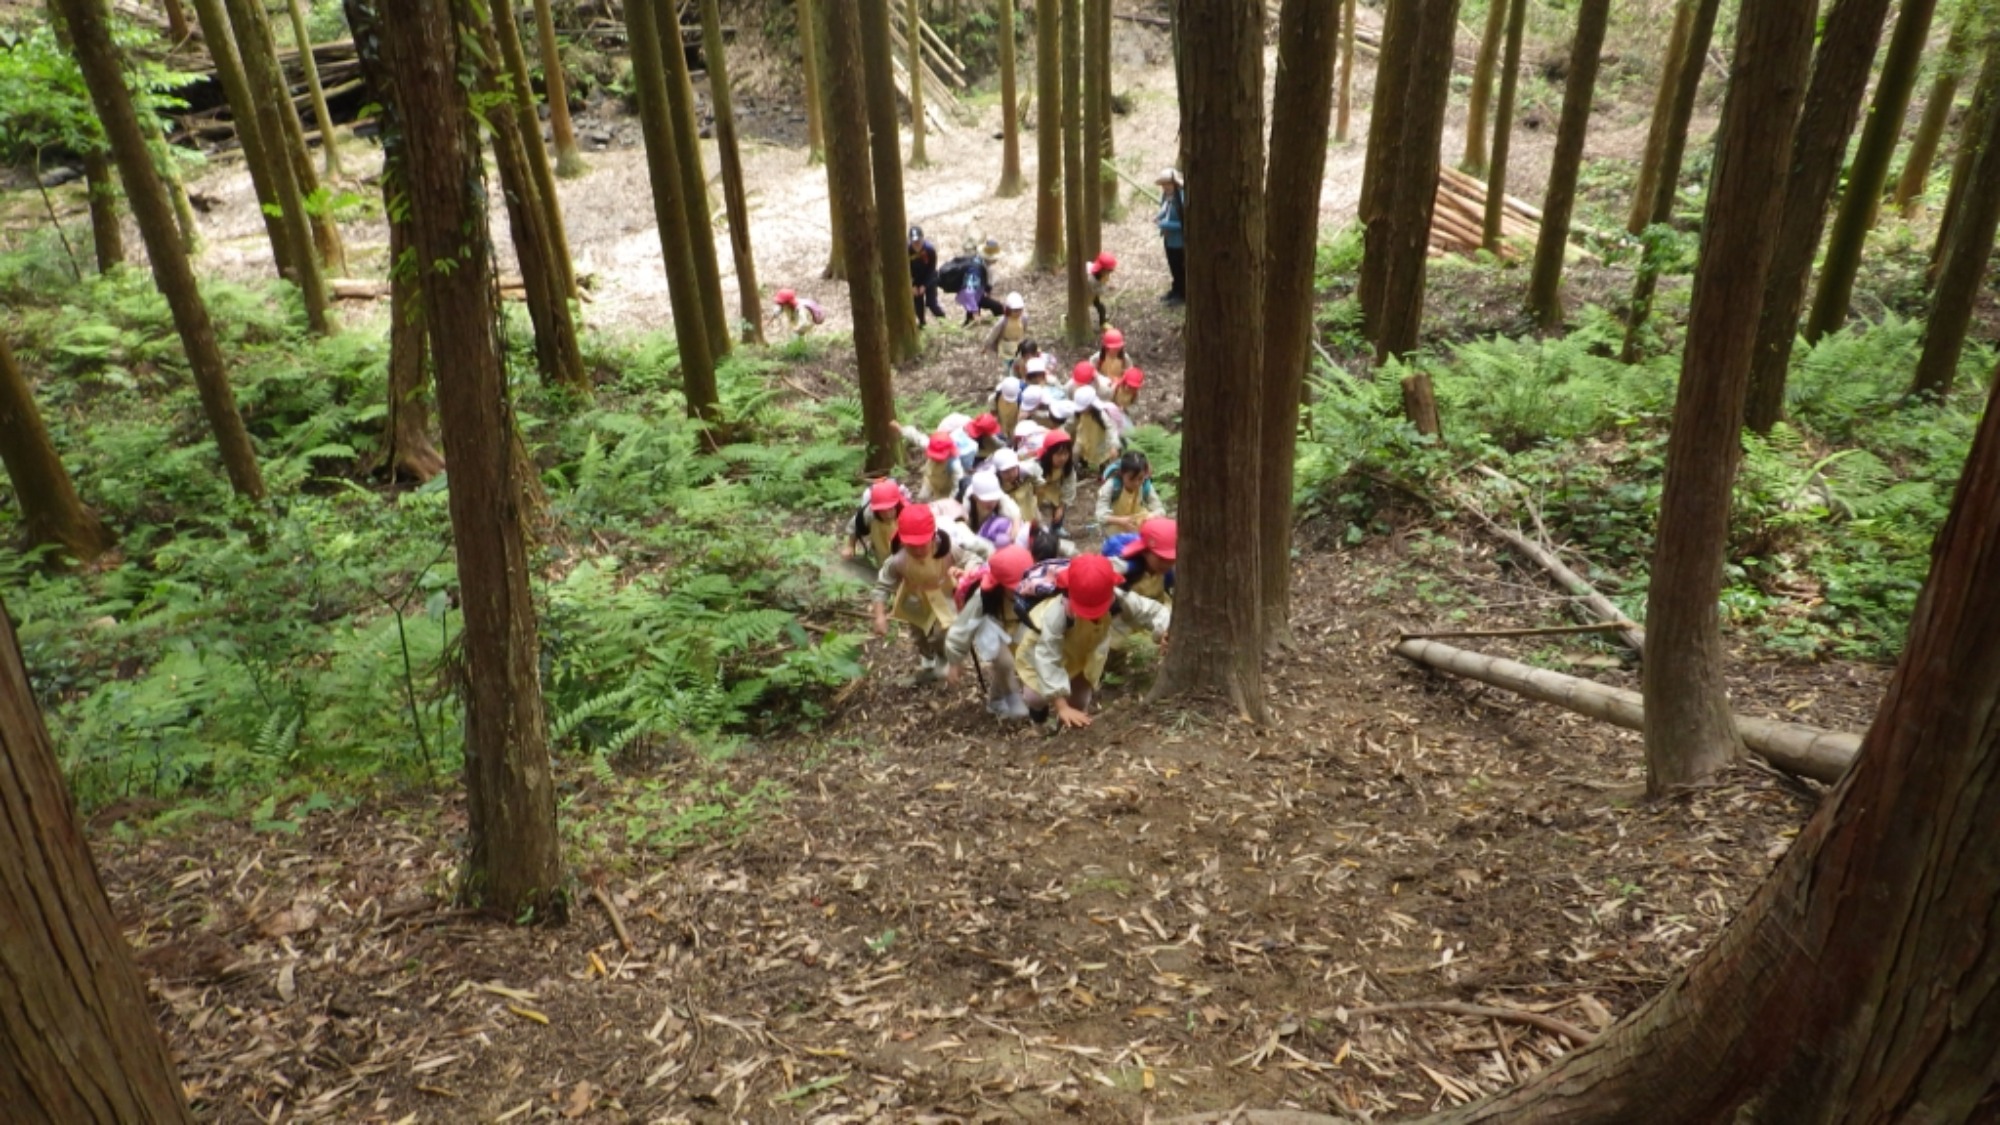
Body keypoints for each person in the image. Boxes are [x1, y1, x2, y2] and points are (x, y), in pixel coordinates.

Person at [1016, 554, 1171, 729]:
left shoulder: (1117, 599)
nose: (1094, 615)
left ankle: (1064, 730)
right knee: (1035, 696)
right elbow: (1048, 659)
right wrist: (1061, 706)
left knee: (1080, 700)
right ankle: (1038, 719)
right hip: (1042, 654)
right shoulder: (1057, 614)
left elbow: (1150, 611)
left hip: (1082, 656)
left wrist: (1166, 630)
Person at [872, 505, 980, 682]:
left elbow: (971, 559)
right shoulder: (898, 559)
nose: (919, 550)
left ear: (933, 536)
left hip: (944, 596)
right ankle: (928, 661)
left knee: (944, 632)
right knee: (918, 633)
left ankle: (947, 658)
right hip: (915, 598)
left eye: (923, 544)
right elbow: (883, 585)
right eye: (912, 545)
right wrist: (879, 615)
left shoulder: (948, 549)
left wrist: (968, 573)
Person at [944, 544, 1036, 719]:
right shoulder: (982, 597)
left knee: (1022, 656)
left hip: (1016, 621)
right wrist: (955, 661)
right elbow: (962, 628)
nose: (1020, 589)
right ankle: (1012, 699)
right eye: (1014, 586)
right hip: (989, 623)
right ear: (1001, 584)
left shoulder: (1032, 587)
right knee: (1005, 662)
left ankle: (996, 700)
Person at [843, 477, 913, 566]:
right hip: (881, 547)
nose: (887, 514)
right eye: (882, 511)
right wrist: (850, 546)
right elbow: (853, 527)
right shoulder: (868, 513)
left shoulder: (907, 512)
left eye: (890, 509)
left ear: (897, 504)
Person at [1094, 451, 1165, 535]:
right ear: (1122, 473)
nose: (1136, 483)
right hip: (1115, 533)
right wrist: (1121, 521)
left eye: (1140, 478)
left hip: (1140, 530)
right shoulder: (1112, 486)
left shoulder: (1145, 485)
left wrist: (1150, 517)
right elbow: (1100, 515)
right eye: (1131, 479)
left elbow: (1160, 510)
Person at [897, 425, 965, 501]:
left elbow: (957, 488)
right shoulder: (930, 444)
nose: (936, 459)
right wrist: (902, 429)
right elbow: (917, 437)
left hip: (944, 491)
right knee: (922, 499)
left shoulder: (954, 466)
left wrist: (950, 501)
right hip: (929, 481)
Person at [1033, 429, 1078, 532]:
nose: (1063, 458)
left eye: (1066, 454)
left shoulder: (1068, 467)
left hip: (1052, 488)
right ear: (1049, 454)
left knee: (1060, 503)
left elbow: (1069, 486)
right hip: (1035, 490)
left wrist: (1061, 507)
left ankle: (1056, 527)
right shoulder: (1036, 466)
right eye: (1058, 454)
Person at [958, 239, 1007, 325]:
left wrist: (987, 290)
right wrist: (975, 311)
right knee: (997, 307)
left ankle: (969, 323)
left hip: (978, 294)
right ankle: (1003, 324)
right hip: (971, 296)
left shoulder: (983, 264)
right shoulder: (975, 270)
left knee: (994, 307)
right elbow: (968, 292)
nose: (996, 260)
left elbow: (988, 280)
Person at [1155, 169, 1185, 305]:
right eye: (1164, 184)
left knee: (1181, 267)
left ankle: (1182, 294)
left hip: (1180, 241)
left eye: (1168, 184)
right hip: (1169, 239)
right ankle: (1175, 289)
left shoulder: (1182, 198)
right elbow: (1164, 210)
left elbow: (1184, 224)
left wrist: (1166, 224)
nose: (1166, 187)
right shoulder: (1166, 197)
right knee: (1173, 266)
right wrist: (1159, 218)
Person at [909, 226, 946, 326]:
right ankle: (922, 323)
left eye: (919, 241)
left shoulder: (930, 250)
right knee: (918, 304)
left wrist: (925, 286)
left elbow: (931, 270)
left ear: (922, 239)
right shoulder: (907, 250)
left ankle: (944, 321)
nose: (917, 244)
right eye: (914, 242)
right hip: (915, 280)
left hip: (929, 279)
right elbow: (905, 270)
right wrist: (912, 285)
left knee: (931, 303)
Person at [984, 292, 1029, 371]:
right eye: (1015, 310)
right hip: (1006, 346)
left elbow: (1024, 329)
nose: (1018, 313)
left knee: (1020, 365)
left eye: (1019, 310)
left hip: (1019, 344)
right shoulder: (1003, 321)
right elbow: (994, 333)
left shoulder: (1023, 318)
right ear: (1009, 310)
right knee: (1008, 365)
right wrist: (987, 345)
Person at [1086, 251, 1117, 329]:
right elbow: (1096, 291)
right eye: (1108, 271)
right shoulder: (1091, 279)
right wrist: (1105, 286)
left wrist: (1105, 284)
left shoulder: (1099, 274)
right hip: (1087, 294)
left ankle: (1102, 322)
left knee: (1101, 307)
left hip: (1093, 290)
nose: (1108, 274)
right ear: (1102, 269)